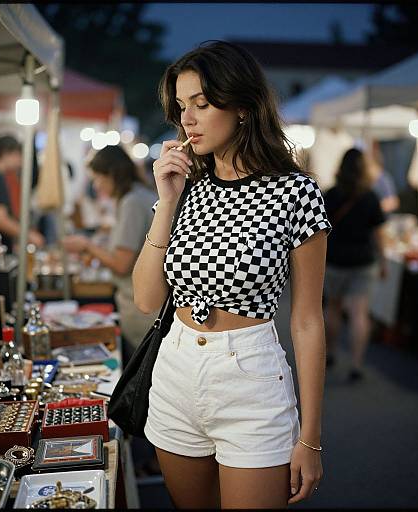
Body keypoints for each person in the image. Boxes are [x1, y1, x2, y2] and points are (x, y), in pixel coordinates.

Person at [132, 41, 332, 509]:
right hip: (176, 371)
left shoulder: (295, 192)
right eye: (181, 107)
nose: (188, 119)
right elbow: (145, 299)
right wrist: (167, 198)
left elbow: (307, 320)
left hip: (250, 379)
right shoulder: (187, 188)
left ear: (242, 105)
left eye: (201, 104)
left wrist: (312, 437)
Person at [62, 145, 159, 354]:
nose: (96, 186)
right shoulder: (139, 194)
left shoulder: (131, 201)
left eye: (98, 178)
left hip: (141, 309)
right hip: (147, 304)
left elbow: (121, 264)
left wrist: (86, 245)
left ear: (112, 175)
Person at [323, 148, 387, 382]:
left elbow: (320, 233)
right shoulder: (370, 196)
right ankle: (357, 364)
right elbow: (379, 235)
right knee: (360, 314)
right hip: (363, 262)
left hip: (334, 261)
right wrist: (383, 262)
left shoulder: (330, 194)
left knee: (333, 309)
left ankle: (330, 353)